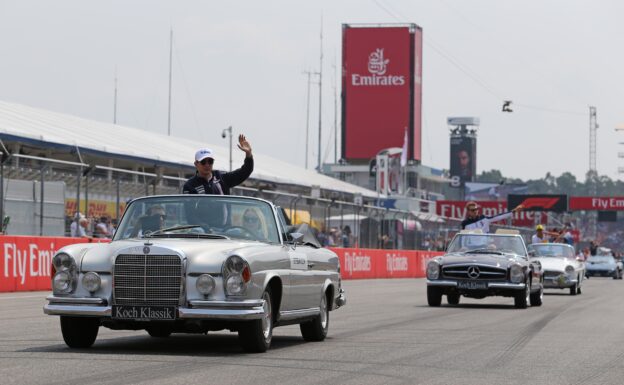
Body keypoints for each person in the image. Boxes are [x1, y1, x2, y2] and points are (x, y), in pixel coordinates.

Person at [183, 134, 253, 195]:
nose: (207, 165)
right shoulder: (189, 185)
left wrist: (248, 154)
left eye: (210, 161)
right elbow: (189, 209)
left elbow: (245, 171)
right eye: (203, 162)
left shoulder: (221, 178)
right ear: (196, 164)